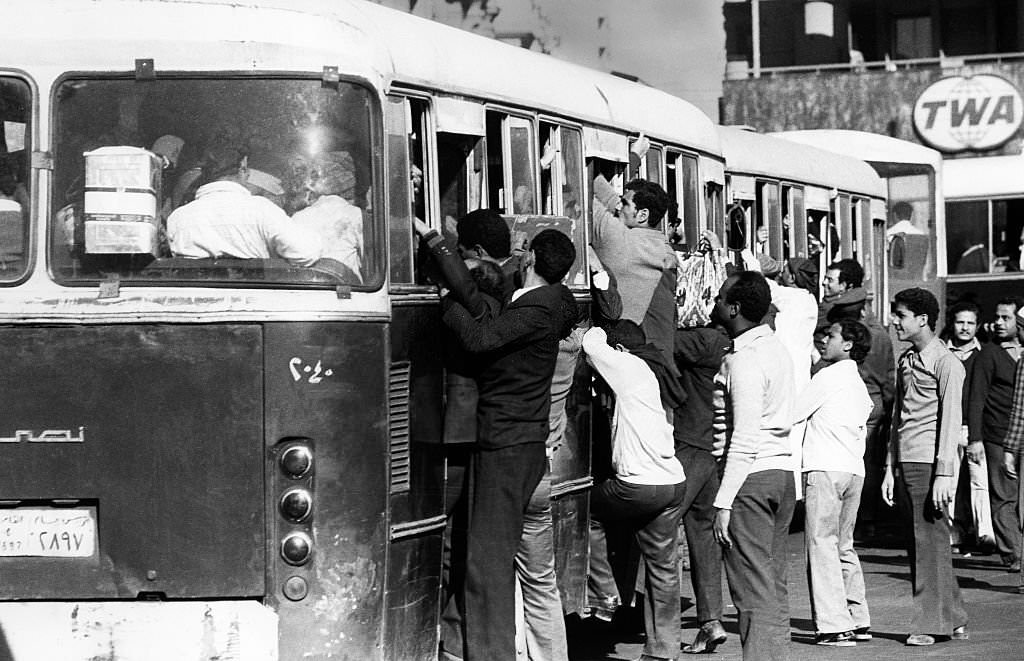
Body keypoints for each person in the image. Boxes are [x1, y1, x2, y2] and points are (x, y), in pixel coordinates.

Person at [442, 229, 577, 661]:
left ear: (532, 257)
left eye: (524, 251)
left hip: (504, 445)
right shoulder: (548, 304)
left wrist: (447, 300)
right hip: (526, 446)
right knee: (516, 568)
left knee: (486, 565)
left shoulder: (537, 309)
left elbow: (482, 337)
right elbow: (491, 316)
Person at [582, 320, 686, 661]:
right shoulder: (656, 374)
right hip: (671, 483)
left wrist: (597, 326)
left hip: (638, 486)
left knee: (585, 512)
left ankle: (604, 593)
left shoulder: (630, 367)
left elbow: (592, 345)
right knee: (663, 569)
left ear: (622, 352)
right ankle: (663, 648)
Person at [711, 271, 796, 661]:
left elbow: (744, 437)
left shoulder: (744, 361)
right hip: (781, 475)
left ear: (734, 308)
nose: (714, 302)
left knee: (751, 588)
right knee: (771, 582)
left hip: (750, 479)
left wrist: (723, 502)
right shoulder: (776, 349)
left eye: (720, 297)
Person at [882, 287, 968, 646]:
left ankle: (932, 624)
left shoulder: (946, 362)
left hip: (929, 464)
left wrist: (945, 473)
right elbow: (896, 419)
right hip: (906, 461)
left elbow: (950, 420)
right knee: (923, 543)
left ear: (923, 320)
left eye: (900, 315)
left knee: (928, 543)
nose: (895, 322)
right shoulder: (907, 360)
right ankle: (955, 616)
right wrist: (889, 467)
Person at [795, 320, 874, 646]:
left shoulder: (827, 376)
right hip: (853, 470)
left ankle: (833, 625)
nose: (825, 340)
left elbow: (794, 411)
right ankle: (858, 618)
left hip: (825, 467)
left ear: (848, 345)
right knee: (843, 546)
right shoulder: (858, 383)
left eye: (832, 336)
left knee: (821, 545)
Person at [166, 139, 321, 266]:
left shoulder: (178, 218)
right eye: (246, 170)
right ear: (242, 170)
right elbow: (306, 253)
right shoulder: (261, 210)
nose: (247, 175)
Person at [673, 320, 731, 654]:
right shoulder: (726, 343)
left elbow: (656, 335)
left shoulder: (702, 340)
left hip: (688, 444)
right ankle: (710, 621)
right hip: (708, 448)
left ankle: (660, 625)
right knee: (704, 536)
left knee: (659, 529)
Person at [826, 287, 896, 541]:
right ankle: (865, 519)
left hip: (846, 404)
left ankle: (845, 518)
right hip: (874, 404)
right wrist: (890, 407)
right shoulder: (880, 336)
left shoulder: (841, 338)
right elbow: (889, 377)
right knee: (867, 463)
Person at [590, 174, 677, 372]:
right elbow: (614, 202)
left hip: (623, 361)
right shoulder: (664, 247)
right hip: (658, 360)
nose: (617, 207)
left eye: (624, 203)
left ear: (643, 215)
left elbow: (584, 188)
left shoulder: (617, 238)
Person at [968, 297, 1023, 572]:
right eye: (998, 317)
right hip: (997, 435)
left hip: (1020, 434)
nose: (1000, 323)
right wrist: (975, 438)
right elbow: (976, 397)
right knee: (1003, 495)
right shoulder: (989, 353)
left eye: (1007, 318)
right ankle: (1014, 554)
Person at [945, 301, 995, 552]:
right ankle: (954, 534)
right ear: (952, 323)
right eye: (960, 322)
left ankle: (985, 534)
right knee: (950, 483)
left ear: (977, 326)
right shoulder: (943, 353)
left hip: (975, 429)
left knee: (980, 482)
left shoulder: (984, 353)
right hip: (948, 428)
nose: (964, 328)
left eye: (970, 323)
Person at [289, 152, 364, 281]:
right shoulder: (355, 215)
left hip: (305, 287)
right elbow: (367, 258)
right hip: (348, 290)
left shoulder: (297, 217)